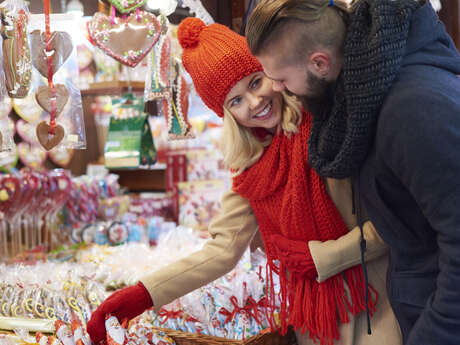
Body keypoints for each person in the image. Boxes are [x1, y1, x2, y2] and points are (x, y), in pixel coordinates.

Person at [86, 17, 400, 345]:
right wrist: (140, 295)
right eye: (234, 101)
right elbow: (222, 249)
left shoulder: (328, 127)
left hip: (378, 309)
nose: (254, 103)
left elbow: (395, 222)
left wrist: (321, 257)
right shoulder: (253, 168)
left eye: (254, 82)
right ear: (226, 114)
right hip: (316, 327)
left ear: (270, 72)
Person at [245, 0, 460, 344]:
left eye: (281, 78)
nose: (277, 89)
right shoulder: (365, 99)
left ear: (320, 63)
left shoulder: (411, 110)